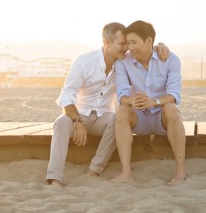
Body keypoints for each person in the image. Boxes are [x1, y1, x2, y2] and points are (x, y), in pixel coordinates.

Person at [45, 23, 169, 186]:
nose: (126, 48)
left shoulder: (124, 62)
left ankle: (94, 170)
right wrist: (76, 121)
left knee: (117, 119)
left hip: (103, 117)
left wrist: (160, 46)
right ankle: (55, 178)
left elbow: (145, 52)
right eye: (122, 44)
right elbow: (66, 95)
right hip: (79, 113)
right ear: (107, 42)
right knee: (61, 122)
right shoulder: (84, 61)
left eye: (127, 43)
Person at [109, 19, 186, 185]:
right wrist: (135, 100)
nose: (130, 47)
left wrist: (154, 102)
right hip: (140, 117)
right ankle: (126, 173)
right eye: (128, 43)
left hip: (162, 118)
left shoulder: (171, 59)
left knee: (171, 108)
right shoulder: (123, 62)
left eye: (134, 42)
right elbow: (122, 94)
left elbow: (174, 95)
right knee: (122, 109)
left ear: (149, 41)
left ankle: (180, 172)